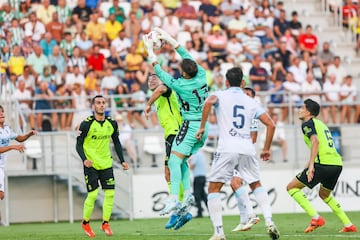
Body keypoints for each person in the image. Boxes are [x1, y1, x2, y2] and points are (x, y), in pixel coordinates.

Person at [196, 67, 280, 240]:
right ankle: (269, 221)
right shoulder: (251, 101)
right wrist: (266, 148)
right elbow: (271, 124)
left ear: (226, 82)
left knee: (214, 188)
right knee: (256, 184)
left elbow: (208, 102)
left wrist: (202, 126)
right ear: (242, 83)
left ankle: (219, 232)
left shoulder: (220, 94)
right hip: (247, 147)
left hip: (227, 147)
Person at [143, 27, 209, 227]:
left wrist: (150, 51)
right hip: (203, 127)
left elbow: (161, 74)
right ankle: (187, 195)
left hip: (189, 126)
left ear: (185, 74)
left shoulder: (181, 85)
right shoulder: (202, 74)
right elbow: (183, 52)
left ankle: (173, 198)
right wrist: (169, 38)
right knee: (181, 162)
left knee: (173, 162)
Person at [286, 99, 357, 233]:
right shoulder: (321, 124)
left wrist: (311, 165)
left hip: (323, 163)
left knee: (291, 188)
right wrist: (308, 165)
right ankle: (348, 225)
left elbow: (315, 142)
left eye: (302, 108)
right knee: (324, 194)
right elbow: (318, 146)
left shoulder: (307, 123)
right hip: (336, 164)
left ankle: (316, 218)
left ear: (308, 112)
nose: (299, 110)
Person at [76, 95, 129, 238]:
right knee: (93, 195)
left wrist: (122, 160)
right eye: (98, 103)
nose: (101, 105)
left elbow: (116, 142)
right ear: (93, 106)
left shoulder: (112, 123)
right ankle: (85, 223)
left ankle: (105, 223)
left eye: (103, 103)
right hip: (91, 164)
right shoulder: (86, 124)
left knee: (110, 194)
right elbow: (78, 144)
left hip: (106, 164)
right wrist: (84, 159)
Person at [144, 73, 187, 230]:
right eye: (149, 79)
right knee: (174, 173)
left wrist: (148, 104)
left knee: (170, 172)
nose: (151, 80)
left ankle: (178, 210)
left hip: (175, 133)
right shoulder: (158, 96)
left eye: (154, 78)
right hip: (172, 134)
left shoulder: (165, 89)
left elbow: (161, 89)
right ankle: (181, 210)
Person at [0, 105, 37, 200]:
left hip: (1, 166)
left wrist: (28, 134)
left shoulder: (7, 129)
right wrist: (12, 146)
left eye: (2, 111)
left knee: (1, 195)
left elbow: (19, 138)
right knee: (1, 194)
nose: (1, 113)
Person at [189, 150, 208, 218]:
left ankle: (200, 211)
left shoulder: (195, 155)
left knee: (197, 195)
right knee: (203, 195)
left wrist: (188, 162)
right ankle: (210, 210)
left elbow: (191, 166)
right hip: (203, 176)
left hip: (198, 177)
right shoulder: (201, 154)